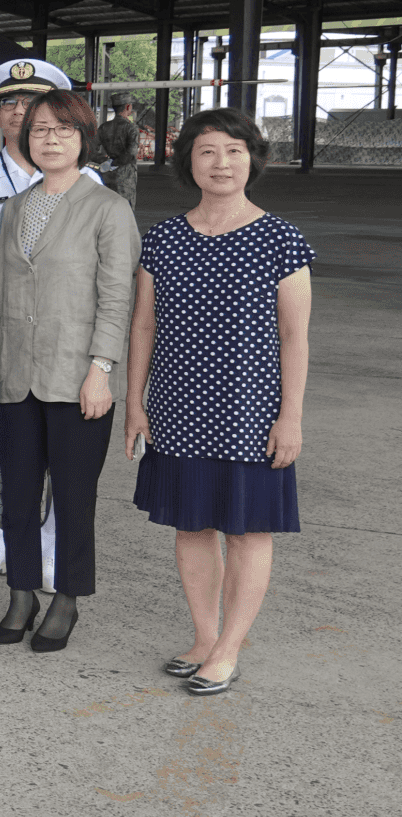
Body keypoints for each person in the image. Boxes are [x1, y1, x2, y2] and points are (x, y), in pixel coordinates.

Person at [126, 108, 312, 696]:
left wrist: (291, 418)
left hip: (251, 414)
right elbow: (144, 328)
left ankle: (229, 649)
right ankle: (204, 637)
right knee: (191, 527)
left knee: (249, 531)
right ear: (189, 163)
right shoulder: (165, 238)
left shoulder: (280, 239)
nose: (222, 162)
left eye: (234, 150)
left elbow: (294, 337)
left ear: (252, 159)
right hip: (178, 409)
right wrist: (136, 404)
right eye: (207, 151)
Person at [0, 89, 140, 652]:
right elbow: (6, 291)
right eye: (40, 130)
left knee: (75, 496)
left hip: (79, 378)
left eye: (63, 130)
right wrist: (0, 366)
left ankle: (68, 597)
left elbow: (115, 298)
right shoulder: (14, 206)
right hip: (16, 377)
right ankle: (21, 591)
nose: (50, 139)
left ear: (83, 137)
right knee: (19, 494)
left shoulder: (107, 208)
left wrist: (101, 369)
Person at [0, 59, 98, 587]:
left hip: (67, 332)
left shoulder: (88, 182)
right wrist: (14, 307)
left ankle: (48, 548)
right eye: (9, 103)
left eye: (31, 104)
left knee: (62, 441)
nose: (19, 112)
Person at [97, 96, 141, 208]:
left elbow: (90, 149)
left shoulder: (103, 127)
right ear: (127, 106)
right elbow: (131, 154)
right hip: (126, 177)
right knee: (126, 210)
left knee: (108, 209)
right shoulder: (131, 128)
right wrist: (114, 163)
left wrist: (105, 162)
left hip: (106, 176)